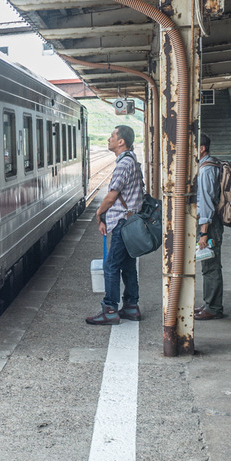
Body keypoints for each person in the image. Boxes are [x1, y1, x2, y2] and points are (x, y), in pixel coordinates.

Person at [87, 125, 144, 325]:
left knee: (111, 265)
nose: (109, 139)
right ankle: (131, 307)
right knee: (128, 266)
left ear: (121, 141)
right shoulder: (132, 161)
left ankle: (109, 309)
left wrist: (99, 213)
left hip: (122, 223)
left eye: (112, 136)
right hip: (130, 222)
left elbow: (111, 197)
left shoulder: (123, 164)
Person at [194, 133, 226, 320]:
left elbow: (206, 203)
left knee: (211, 265)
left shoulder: (206, 170)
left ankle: (213, 308)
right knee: (208, 264)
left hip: (210, 225)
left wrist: (203, 233)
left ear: (202, 148)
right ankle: (209, 304)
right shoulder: (211, 164)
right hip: (211, 223)